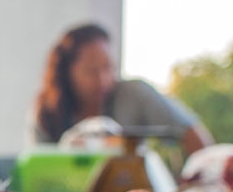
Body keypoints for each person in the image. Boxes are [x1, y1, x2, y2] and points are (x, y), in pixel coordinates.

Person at [29, 23, 214, 155]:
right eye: (91, 71)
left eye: (108, 68)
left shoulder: (134, 94)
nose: (102, 80)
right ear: (66, 72)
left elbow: (191, 133)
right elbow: (38, 169)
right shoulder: (46, 112)